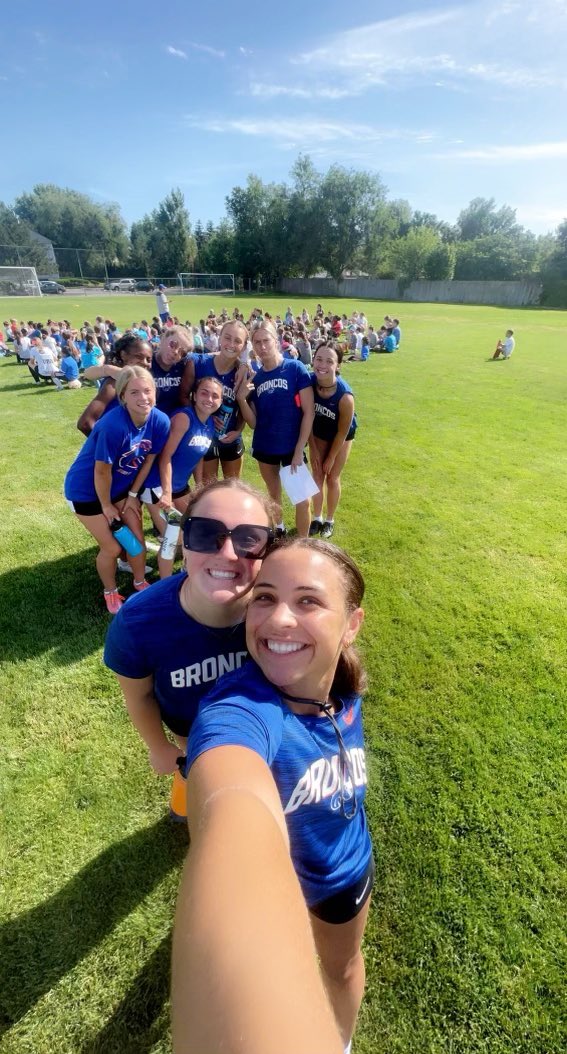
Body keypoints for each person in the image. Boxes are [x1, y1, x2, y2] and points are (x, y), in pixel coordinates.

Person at [185, 539, 372, 1052]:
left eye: (308, 601)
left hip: (345, 871)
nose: (278, 621)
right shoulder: (240, 709)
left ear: (351, 624)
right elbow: (231, 797)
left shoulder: (343, 690)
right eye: (264, 597)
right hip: (282, 882)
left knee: (343, 967)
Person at [104, 479, 275, 816]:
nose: (227, 554)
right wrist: (158, 746)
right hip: (188, 736)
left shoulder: (278, 616)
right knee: (193, 790)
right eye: (205, 534)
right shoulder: (139, 622)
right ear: (184, 539)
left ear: (268, 551)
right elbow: (138, 696)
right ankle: (185, 802)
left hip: (262, 734)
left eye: (248, 539)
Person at [171, 776, 343, 1054]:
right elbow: (235, 792)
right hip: (321, 864)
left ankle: (344, 1043)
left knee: (345, 968)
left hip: (347, 863)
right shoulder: (240, 733)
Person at [64, 366, 170, 614]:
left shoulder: (160, 420)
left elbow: (150, 458)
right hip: (86, 493)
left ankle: (139, 582)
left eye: (147, 391)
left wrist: (132, 495)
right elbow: (101, 472)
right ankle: (110, 591)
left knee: (136, 544)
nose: (143, 398)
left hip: (121, 491)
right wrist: (107, 507)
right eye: (134, 392)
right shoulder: (112, 425)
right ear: (122, 396)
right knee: (112, 547)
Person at [235, 320, 314, 538]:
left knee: (302, 499)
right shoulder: (256, 378)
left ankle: (303, 542)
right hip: (266, 445)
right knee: (273, 493)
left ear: (276, 341)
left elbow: (309, 412)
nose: (262, 346)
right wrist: (242, 399)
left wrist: (299, 449)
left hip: (291, 447)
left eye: (266, 340)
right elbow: (253, 423)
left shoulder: (295, 368)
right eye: (257, 342)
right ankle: (278, 529)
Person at [156, 376, 224, 576]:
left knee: (193, 527)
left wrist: (200, 486)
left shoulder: (210, 423)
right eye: (204, 392)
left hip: (180, 486)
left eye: (215, 396)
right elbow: (165, 456)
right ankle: (164, 586)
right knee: (173, 537)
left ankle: (187, 569)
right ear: (194, 395)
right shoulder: (184, 418)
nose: (209, 399)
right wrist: (166, 493)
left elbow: (198, 456)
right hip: (158, 486)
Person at [308, 343, 356, 539]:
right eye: (319, 359)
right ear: (313, 360)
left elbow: (342, 433)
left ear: (338, 366)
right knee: (317, 475)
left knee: (332, 476)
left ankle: (329, 519)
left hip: (340, 436)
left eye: (330, 361)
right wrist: (314, 449)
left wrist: (331, 456)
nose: (322, 365)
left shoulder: (345, 397)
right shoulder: (309, 383)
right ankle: (317, 517)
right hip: (318, 432)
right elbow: (307, 419)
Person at [194, 320, 248, 483]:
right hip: (204, 436)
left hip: (230, 438)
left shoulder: (244, 373)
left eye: (238, 341)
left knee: (232, 488)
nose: (231, 344)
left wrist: (238, 430)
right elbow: (187, 398)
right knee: (207, 489)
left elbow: (245, 407)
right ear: (219, 337)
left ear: (244, 346)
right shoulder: (200, 364)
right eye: (227, 337)